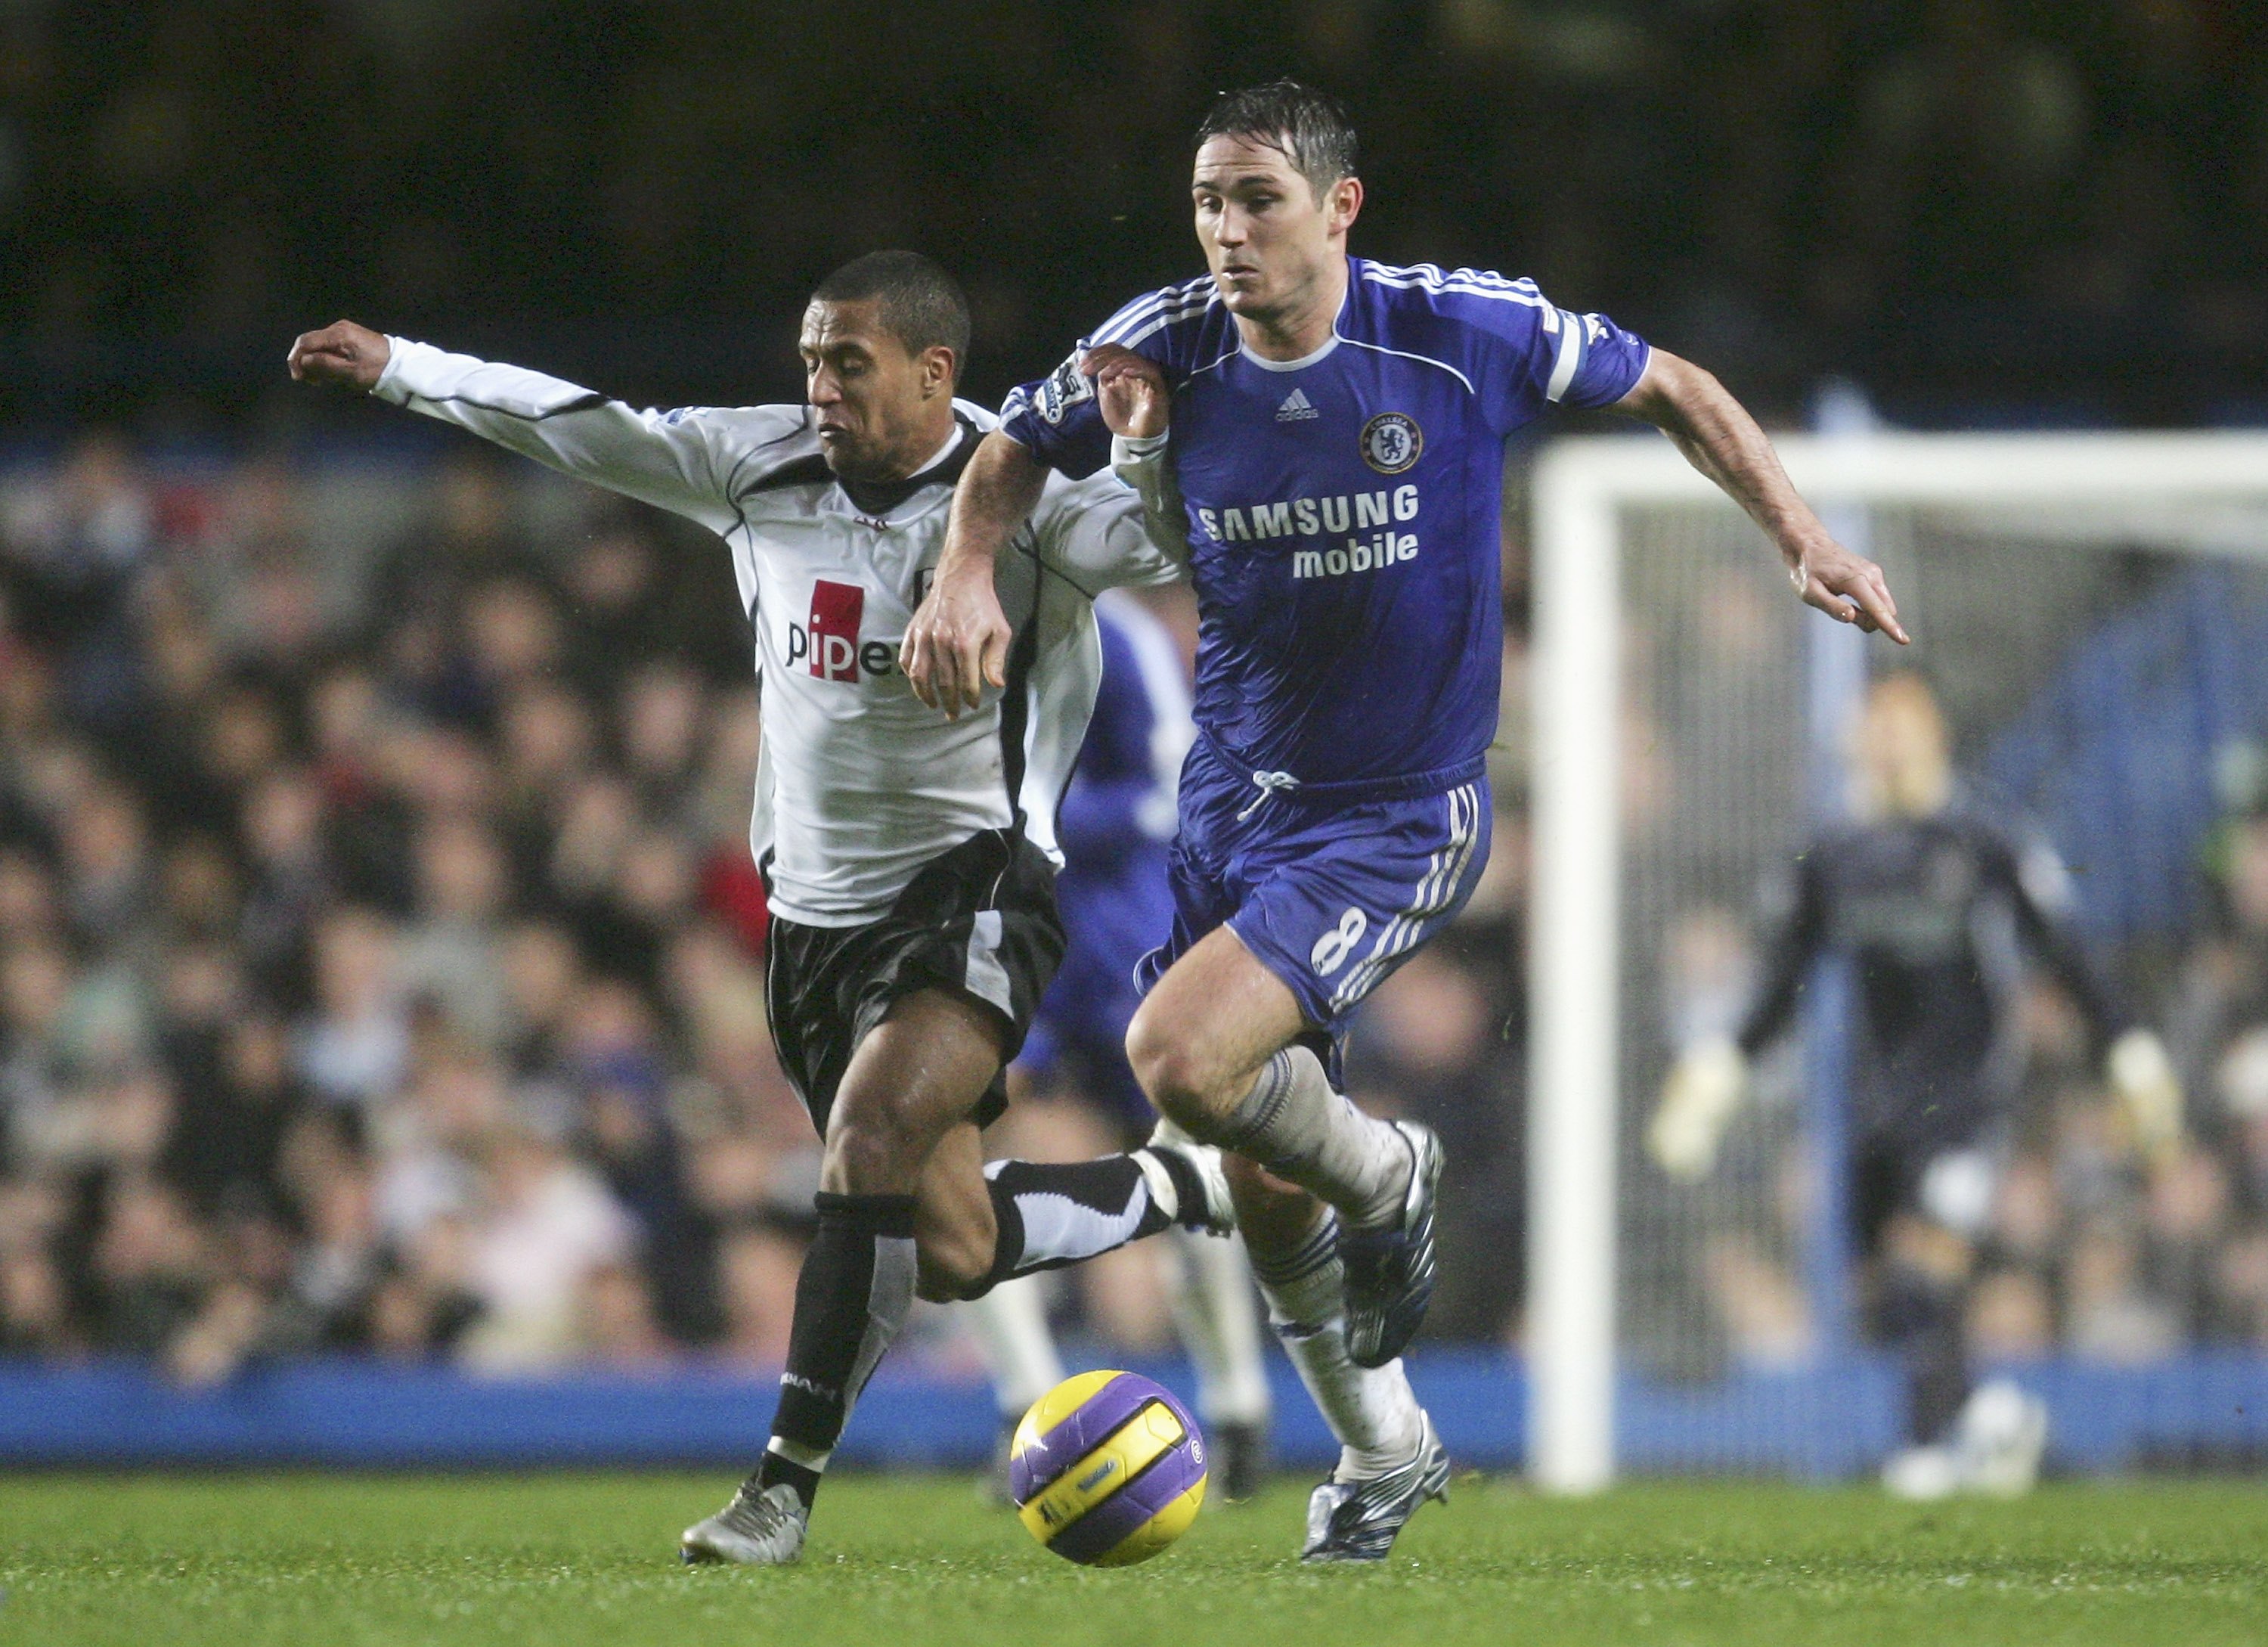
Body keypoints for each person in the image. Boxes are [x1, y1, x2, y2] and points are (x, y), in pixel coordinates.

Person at [902, 79, 1907, 1561]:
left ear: (1339, 209)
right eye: (1205, 202)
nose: (1226, 233)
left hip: (1397, 812)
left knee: (1176, 1056)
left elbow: (1675, 386)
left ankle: (1390, 1169)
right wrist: (961, 574)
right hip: (1231, 809)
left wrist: (1801, 532)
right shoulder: (1160, 342)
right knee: (1253, 1169)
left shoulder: (1457, 329)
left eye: (1256, 201)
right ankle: (1387, 1451)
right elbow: (1007, 454)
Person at [288, 251, 1233, 1567]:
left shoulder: (1024, 500)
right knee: (954, 1243)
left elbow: (1180, 540)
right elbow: (581, 428)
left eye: (848, 362)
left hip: (973, 887)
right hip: (812, 922)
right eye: (809, 358)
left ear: (933, 372)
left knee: (866, 1139)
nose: (818, 385)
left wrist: (1138, 452)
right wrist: (406, 369)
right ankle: (1194, 1180)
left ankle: (779, 1489)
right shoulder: (755, 465)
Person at [1650, 671, 2183, 1498]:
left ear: (1934, 728)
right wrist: (1714, 1078)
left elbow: (2066, 951)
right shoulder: (1836, 855)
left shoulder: (1983, 837)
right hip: (1879, 1102)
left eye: (1905, 717)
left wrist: (2131, 1053)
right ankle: (1989, 1418)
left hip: (1969, 1093)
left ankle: (1925, 1449)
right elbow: (1780, 984)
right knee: (1884, 1294)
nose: (1890, 734)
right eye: (1877, 719)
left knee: (1927, 1267)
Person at [964, 591, 1275, 1500]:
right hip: (1004, 939)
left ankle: (1238, 1407)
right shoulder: (931, 615)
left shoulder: (1114, 632)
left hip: (1120, 942)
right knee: (961, 1157)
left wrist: (1031, 829)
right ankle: (1023, 1410)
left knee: (1187, 1175)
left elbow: (1168, 785)